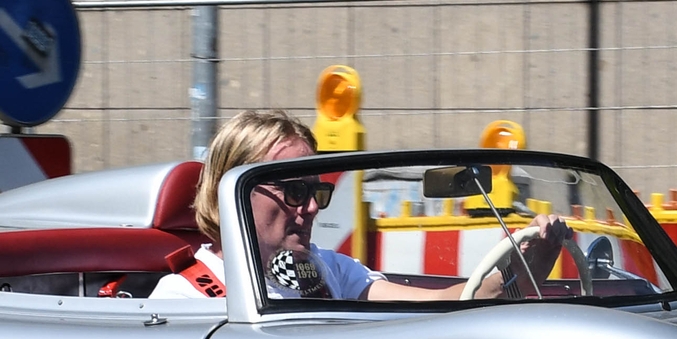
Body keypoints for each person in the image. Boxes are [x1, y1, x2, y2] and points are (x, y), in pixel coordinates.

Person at [152, 109, 563, 301]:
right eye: (294, 192)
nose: (311, 209)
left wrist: (519, 274)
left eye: (316, 192)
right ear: (235, 194)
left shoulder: (328, 269)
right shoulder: (184, 299)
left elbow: (444, 305)